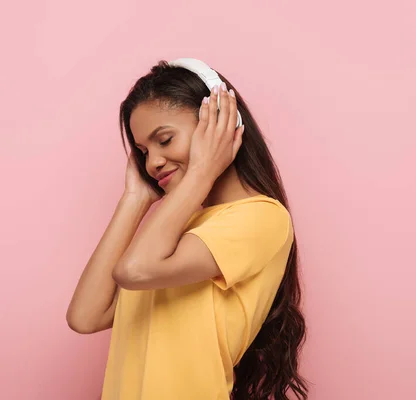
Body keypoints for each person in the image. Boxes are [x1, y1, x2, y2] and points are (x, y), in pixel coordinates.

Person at [66, 59, 308, 400]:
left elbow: (133, 270)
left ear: (223, 124)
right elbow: (85, 316)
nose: (152, 163)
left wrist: (203, 170)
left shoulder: (262, 218)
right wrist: (134, 199)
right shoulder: (175, 233)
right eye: (143, 152)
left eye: (165, 139)